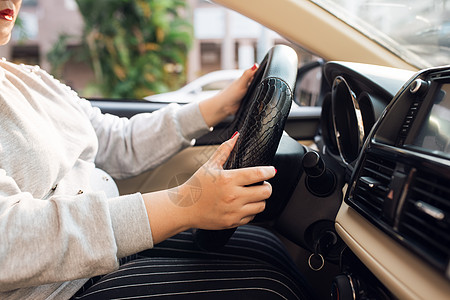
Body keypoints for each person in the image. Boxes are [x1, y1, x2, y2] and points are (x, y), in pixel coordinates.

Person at [0, 1, 315, 299]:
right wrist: (183, 206)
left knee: (264, 247)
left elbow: (115, 140)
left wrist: (215, 106)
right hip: (59, 289)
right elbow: (8, 239)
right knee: (270, 292)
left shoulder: (27, 79)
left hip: (103, 251)